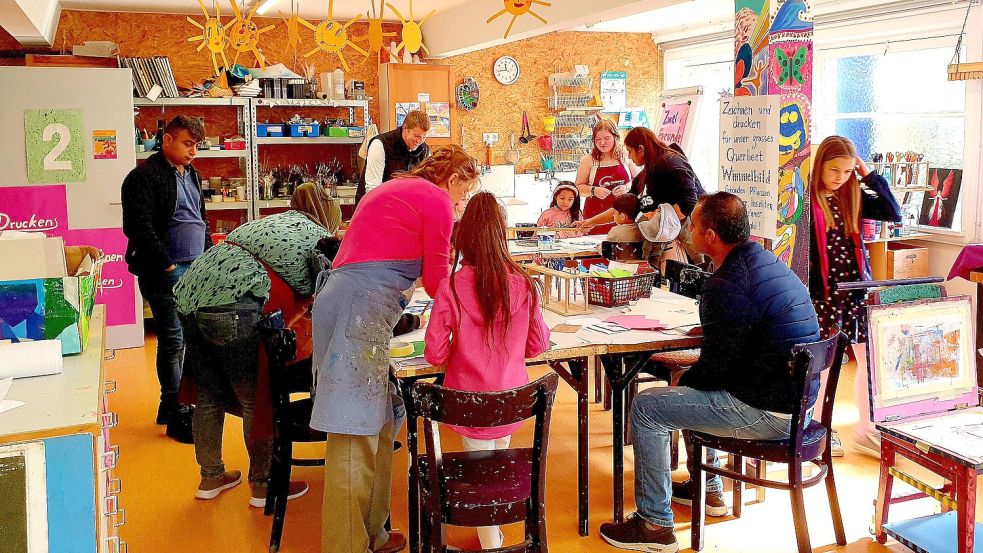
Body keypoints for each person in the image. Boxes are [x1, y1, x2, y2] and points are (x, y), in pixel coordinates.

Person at [599, 192, 820, 553]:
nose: (687, 230)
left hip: (769, 412)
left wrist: (684, 381)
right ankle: (711, 491)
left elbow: (717, 372)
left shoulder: (727, 285)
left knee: (648, 406)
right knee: (689, 389)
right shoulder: (768, 262)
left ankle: (654, 524)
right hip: (797, 403)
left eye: (694, 225)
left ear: (711, 237)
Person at [312, 145, 480, 553]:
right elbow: (439, 279)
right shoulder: (436, 198)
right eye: (463, 194)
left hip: (350, 303)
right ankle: (347, 545)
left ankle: (374, 533)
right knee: (355, 430)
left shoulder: (397, 186)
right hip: (359, 309)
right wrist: (469, 325)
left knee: (381, 421)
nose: (460, 205)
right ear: (454, 178)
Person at [171, 184, 340, 505]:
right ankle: (264, 485)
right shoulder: (317, 236)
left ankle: (210, 478)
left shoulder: (272, 221)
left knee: (209, 396)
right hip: (239, 304)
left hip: (191, 298)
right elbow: (327, 294)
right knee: (256, 398)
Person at [424, 191, 551, 549]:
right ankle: (493, 531)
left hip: (467, 401)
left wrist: (461, 350)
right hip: (513, 399)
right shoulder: (524, 284)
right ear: (502, 233)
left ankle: (492, 539)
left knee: (482, 473)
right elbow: (538, 345)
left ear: (462, 239)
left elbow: (434, 353)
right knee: (496, 463)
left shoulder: (450, 286)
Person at [121, 115, 211, 444]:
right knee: (174, 339)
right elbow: (137, 226)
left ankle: (169, 403)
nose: (193, 151)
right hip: (166, 271)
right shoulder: (143, 177)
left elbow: (199, 218)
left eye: (197, 145)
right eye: (188, 144)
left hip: (195, 266)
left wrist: (210, 256)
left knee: (187, 340)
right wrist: (166, 265)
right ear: (168, 140)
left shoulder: (193, 174)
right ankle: (177, 412)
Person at [809, 136, 900, 457]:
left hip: (856, 294)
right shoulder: (807, 201)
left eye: (848, 171)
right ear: (819, 165)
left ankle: (867, 429)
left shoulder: (854, 196)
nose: (840, 177)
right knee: (822, 366)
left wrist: (867, 173)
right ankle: (821, 429)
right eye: (834, 170)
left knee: (869, 360)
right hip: (824, 297)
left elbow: (893, 211)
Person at [576, 127, 705, 262]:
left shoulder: (669, 162)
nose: (630, 156)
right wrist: (591, 222)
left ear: (641, 149)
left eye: (631, 151)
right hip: (663, 235)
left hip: (689, 236)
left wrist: (664, 223)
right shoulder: (648, 170)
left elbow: (690, 200)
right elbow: (626, 206)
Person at [575, 119, 641, 235]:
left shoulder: (626, 155)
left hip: (624, 215)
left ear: (615, 137)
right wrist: (594, 190)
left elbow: (639, 181)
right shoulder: (588, 160)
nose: (602, 143)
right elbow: (578, 188)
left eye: (607, 138)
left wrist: (626, 187)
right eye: (598, 139)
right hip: (595, 215)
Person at [356, 110, 431, 204]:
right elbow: (372, 188)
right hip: (374, 205)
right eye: (416, 136)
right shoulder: (380, 144)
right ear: (405, 128)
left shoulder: (425, 150)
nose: (420, 141)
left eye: (424, 137)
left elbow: (427, 185)